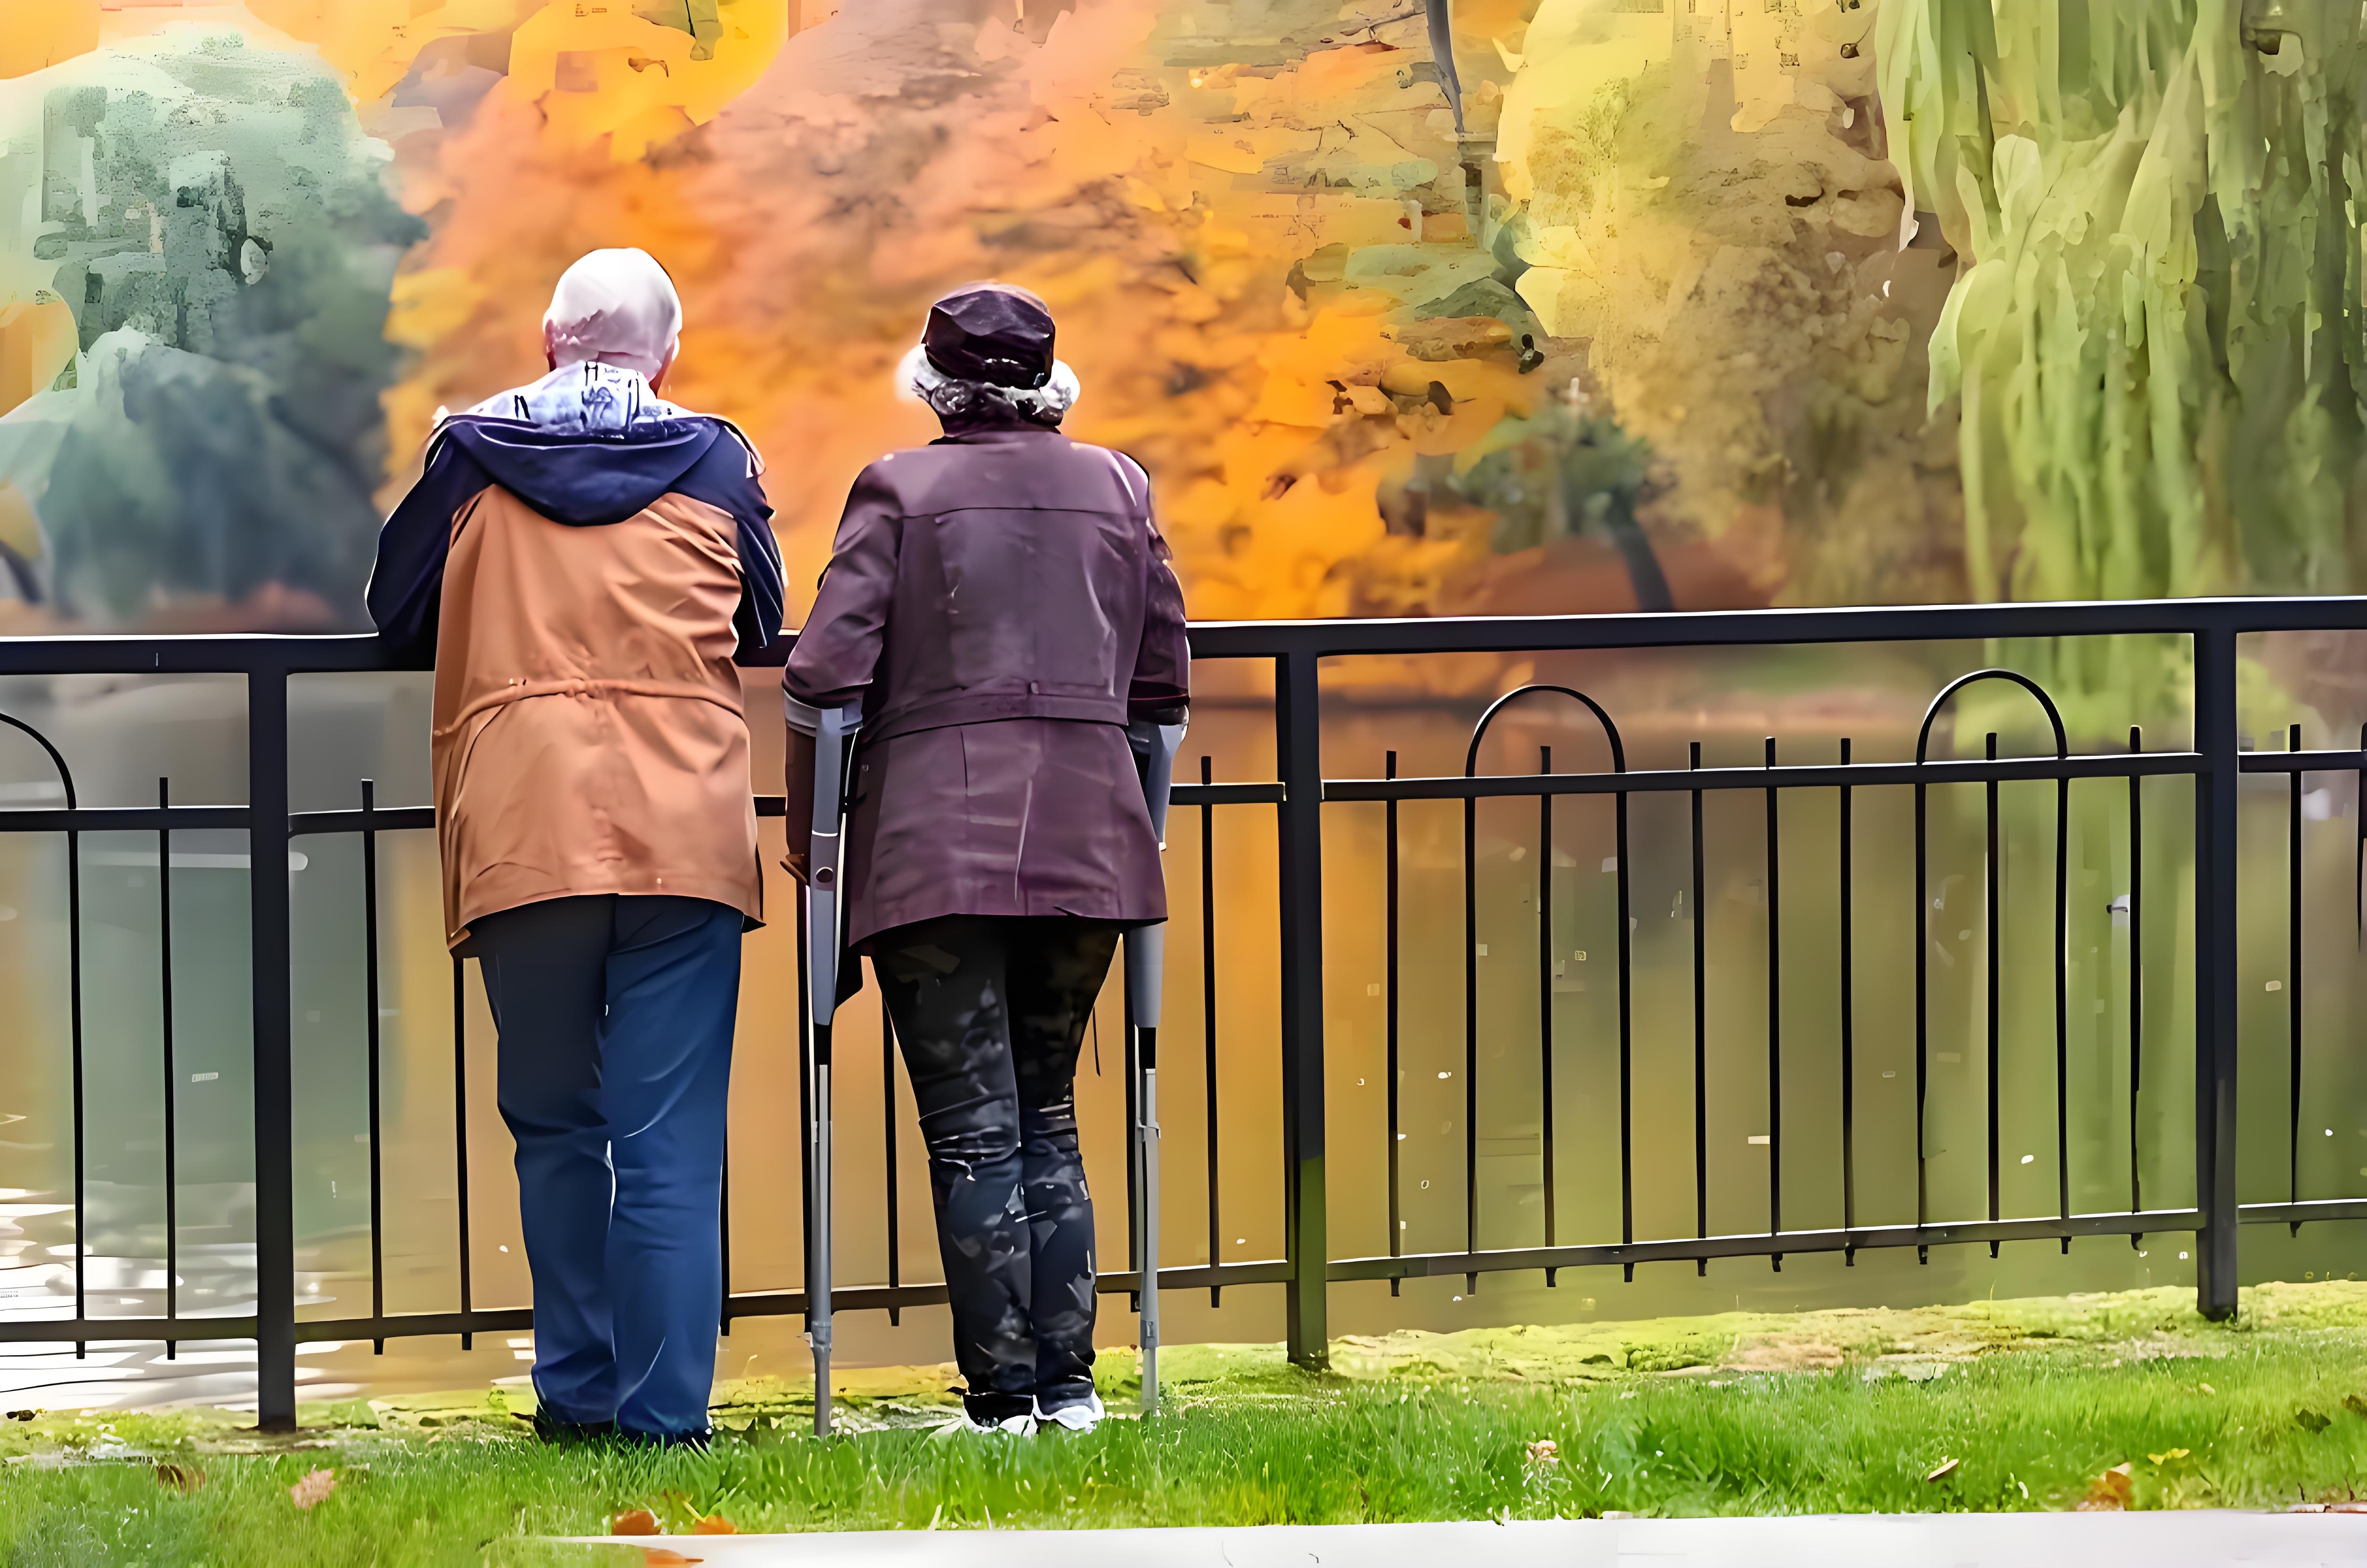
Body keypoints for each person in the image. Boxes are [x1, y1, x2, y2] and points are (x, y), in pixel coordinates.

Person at [366, 248, 784, 1448]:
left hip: (523, 821)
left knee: (556, 1125)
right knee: (669, 1144)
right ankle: (665, 1414)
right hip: (685, 829)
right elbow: (762, 616)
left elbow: (393, 610)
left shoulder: (467, 457)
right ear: (668, 355)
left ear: (549, 340)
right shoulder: (714, 456)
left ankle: (576, 1391)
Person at [783, 282, 1189, 1436]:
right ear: (1048, 382)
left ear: (935, 380)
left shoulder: (898, 490)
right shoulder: (1119, 486)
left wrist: (812, 840)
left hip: (932, 855)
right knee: (1049, 1110)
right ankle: (1072, 1387)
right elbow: (1163, 683)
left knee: (972, 1123)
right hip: (1089, 835)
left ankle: (1002, 1397)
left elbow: (821, 676)